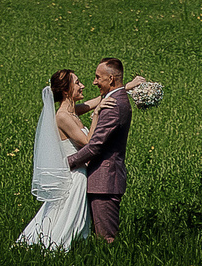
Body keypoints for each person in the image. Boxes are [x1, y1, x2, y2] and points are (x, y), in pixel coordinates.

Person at [14, 68, 92, 253]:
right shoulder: (63, 116)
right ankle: (53, 246)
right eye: (77, 83)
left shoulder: (72, 113)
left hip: (80, 172)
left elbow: (94, 103)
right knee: (66, 218)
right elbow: (88, 142)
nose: (82, 86)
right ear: (65, 91)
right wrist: (96, 118)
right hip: (75, 176)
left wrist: (123, 89)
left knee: (63, 215)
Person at [66, 56, 134, 244]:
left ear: (110, 79)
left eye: (98, 77)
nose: (94, 82)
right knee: (99, 237)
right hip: (102, 180)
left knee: (106, 239)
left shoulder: (114, 105)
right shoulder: (114, 99)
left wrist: (67, 163)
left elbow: (95, 145)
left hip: (105, 181)